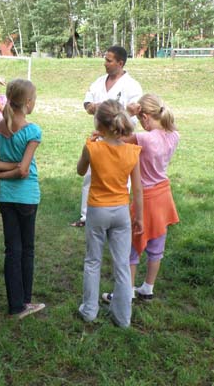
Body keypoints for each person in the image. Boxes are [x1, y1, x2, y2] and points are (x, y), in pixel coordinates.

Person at [103, 94, 179, 302]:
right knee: (156, 245)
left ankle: (126, 292)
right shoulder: (174, 135)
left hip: (146, 197)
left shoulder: (144, 139)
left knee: (132, 245)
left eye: (140, 118)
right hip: (164, 194)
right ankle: (148, 288)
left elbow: (115, 135)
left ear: (145, 117)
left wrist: (127, 113)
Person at [77, 100, 143, 328]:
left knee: (93, 261)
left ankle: (89, 310)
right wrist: (139, 217)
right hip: (121, 212)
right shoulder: (132, 152)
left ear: (99, 124)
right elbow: (137, 189)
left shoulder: (92, 148)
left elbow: (80, 171)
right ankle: (123, 318)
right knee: (122, 265)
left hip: (97, 210)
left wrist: (89, 144)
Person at [0, 79, 45, 319]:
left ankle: (15, 304)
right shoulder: (32, 131)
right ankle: (24, 302)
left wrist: (1, 172)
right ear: (28, 102)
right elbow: (23, 170)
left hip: (6, 197)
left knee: (12, 250)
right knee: (26, 249)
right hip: (27, 197)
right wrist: (15, 167)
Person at [70, 45, 142, 228]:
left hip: (121, 140)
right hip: (101, 138)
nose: (105, 63)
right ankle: (86, 216)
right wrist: (91, 107)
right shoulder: (99, 82)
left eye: (109, 60)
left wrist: (117, 117)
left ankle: (119, 213)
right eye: (105, 59)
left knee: (121, 177)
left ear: (120, 63)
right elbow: (87, 102)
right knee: (90, 175)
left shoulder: (132, 86)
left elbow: (133, 113)